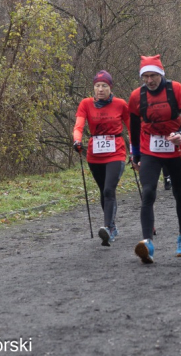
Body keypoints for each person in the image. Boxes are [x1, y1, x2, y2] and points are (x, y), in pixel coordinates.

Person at [128, 55, 181, 263]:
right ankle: (147, 243)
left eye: (153, 75)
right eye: (146, 76)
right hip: (150, 147)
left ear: (161, 74)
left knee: (178, 192)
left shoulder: (175, 89)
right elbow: (133, 127)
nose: (149, 80)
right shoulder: (136, 96)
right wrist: (135, 153)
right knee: (148, 192)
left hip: (175, 147)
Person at [73, 70, 130, 247]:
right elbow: (79, 125)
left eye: (104, 86)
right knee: (103, 191)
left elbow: (132, 127)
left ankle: (108, 228)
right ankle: (112, 226)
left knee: (108, 190)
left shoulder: (120, 104)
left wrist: (136, 149)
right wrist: (76, 139)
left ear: (110, 87)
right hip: (95, 154)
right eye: (97, 86)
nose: (100, 89)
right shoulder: (86, 104)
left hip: (116, 152)